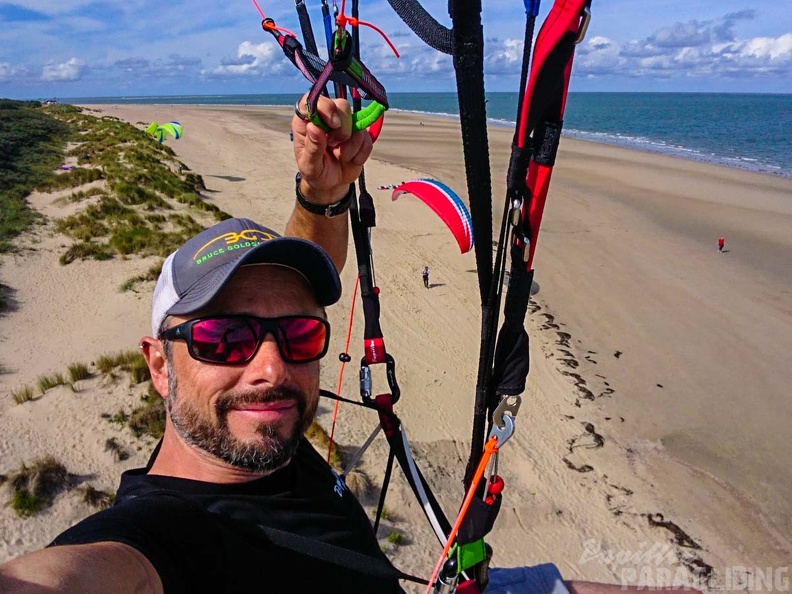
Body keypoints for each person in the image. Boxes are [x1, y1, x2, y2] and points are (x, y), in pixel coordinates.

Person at [0, 95, 696, 594]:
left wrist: (323, 194)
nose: (270, 366)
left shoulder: (256, 433)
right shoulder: (160, 536)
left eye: (299, 335)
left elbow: (309, 267)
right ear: (159, 363)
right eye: (224, 339)